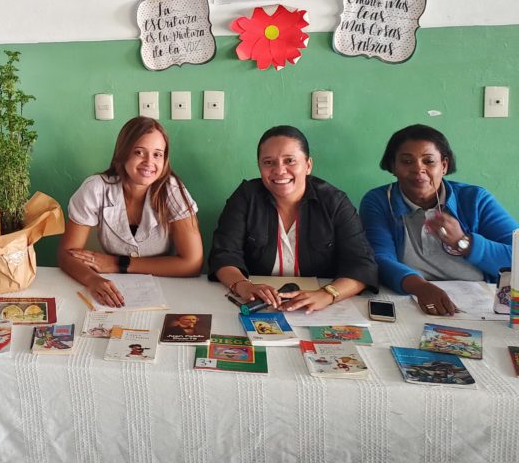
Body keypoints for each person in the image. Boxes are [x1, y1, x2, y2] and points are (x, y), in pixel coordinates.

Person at [209, 125, 378, 312]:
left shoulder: (335, 202)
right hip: (259, 305)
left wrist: (328, 294)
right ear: (259, 166)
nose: (279, 170)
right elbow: (224, 255)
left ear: (308, 165)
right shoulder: (246, 197)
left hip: (319, 309)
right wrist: (243, 285)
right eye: (268, 162)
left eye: (290, 161)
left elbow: (362, 265)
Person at [359, 124, 517, 316]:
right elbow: (379, 257)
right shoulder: (380, 201)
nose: (419, 170)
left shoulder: (475, 199)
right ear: (393, 167)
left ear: (444, 165)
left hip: (478, 304)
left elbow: (515, 256)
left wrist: (464, 242)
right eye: (407, 161)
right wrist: (420, 287)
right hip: (410, 296)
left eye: (429, 161)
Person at [58, 117, 203, 308]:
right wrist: (93, 280)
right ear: (123, 153)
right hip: (114, 287)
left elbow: (192, 264)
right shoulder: (96, 188)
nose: (149, 162)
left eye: (157, 154)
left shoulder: (173, 191)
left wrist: (119, 264)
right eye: (139, 152)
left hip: (167, 287)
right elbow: (66, 254)